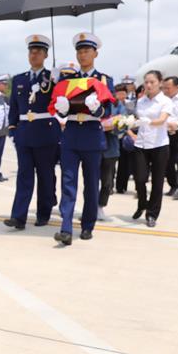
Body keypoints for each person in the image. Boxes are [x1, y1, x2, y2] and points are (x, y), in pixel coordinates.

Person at [51, 32, 114, 245]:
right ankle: (66, 227)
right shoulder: (68, 80)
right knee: (68, 183)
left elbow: (108, 111)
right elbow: (59, 110)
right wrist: (61, 109)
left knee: (90, 183)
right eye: (79, 51)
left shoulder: (104, 80)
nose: (82, 54)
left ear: (95, 53)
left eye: (87, 50)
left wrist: (96, 110)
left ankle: (88, 225)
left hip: (91, 135)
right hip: (70, 134)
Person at [4, 34, 59, 230]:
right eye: (31, 52)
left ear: (45, 55)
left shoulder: (52, 78)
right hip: (24, 134)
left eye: (38, 52)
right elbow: (13, 107)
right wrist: (13, 129)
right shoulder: (19, 79)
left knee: (45, 175)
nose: (33, 55)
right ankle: (18, 217)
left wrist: (56, 79)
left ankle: (43, 213)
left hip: (46, 133)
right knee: (24, 176)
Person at [126, 71, 172, 227]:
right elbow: (138, 119)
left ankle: (152, 214)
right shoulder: (141, 101)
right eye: (146, 82)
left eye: (152, 82)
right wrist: (133, 122)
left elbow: (163, 119)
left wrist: (149, 121)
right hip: (141, 144)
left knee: (157, 182)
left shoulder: (165, 101)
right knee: (139, 178)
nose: (148, 85)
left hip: (159, 144)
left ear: (160, 83)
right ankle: (142, 203)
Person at [98, 84, 127, 221]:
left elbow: (123, 124)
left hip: (111, 148)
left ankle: (100, 206)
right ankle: (90, 207)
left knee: (107, 181)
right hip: (93, 148)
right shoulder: (91, 104)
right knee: (90, 181)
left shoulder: (117, 105)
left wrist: (112, 126)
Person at [115, 75, 138, 194]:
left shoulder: (130, 104)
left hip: (126, 137)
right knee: (112, 162)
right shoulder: (112, 104)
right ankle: (112, 185)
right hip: (114, 135)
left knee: (125, 162)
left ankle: (121, 186)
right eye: (119, 93)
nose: (121, 96)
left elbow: (133, 117)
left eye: (123, 93)